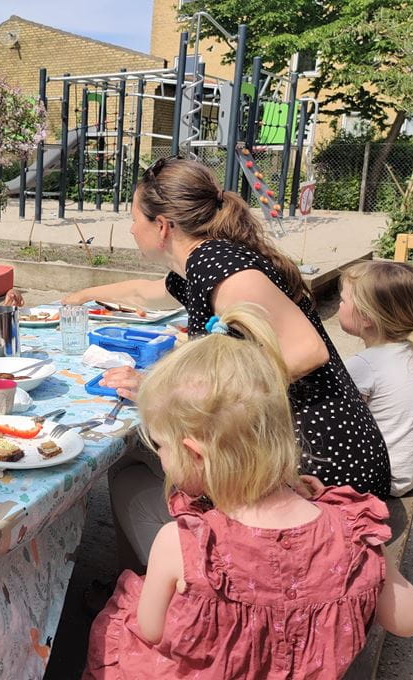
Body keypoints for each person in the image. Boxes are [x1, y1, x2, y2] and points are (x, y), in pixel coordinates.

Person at [63, 157, 390, 562]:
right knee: (147, 449)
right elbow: (147, 293)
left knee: (133, 462)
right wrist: (82, 296)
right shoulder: (204, 262)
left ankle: (174, 592)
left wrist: (182, 391)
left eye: (134, 219)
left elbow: (308, 351)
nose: (131, 229)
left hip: (322, 464)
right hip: (310, 447)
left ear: (162, 226)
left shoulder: (217, 264)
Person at [83, 305, 413, 680]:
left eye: (160, 446)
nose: (160, 456)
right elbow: (409, 621)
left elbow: (152, 630)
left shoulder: (183, 544)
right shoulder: (353, 528)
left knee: (120, 619)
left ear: (196, 454)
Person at [338, 261, 413, 496]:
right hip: (410, 470)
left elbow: (341, 424)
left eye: (342, 301)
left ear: (366, 319)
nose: (339, 305)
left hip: (384, 479)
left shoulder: (365, 366)